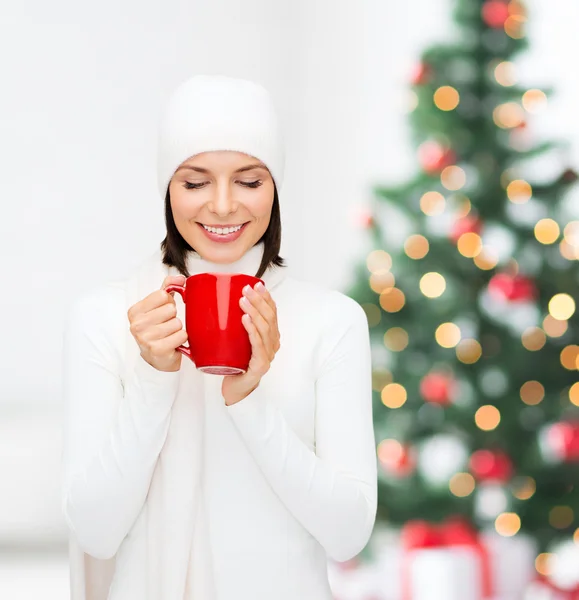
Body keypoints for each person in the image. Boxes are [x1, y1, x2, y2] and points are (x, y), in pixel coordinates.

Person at [61, 74, 377, 600]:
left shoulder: (333, 320)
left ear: (275, 189)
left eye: (250, 181)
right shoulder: (105, 317)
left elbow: (347, 536)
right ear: (167, 188)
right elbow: (94, 531)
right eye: (195, 182)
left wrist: (249, 400)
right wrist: (154, 378)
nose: (225, 206)